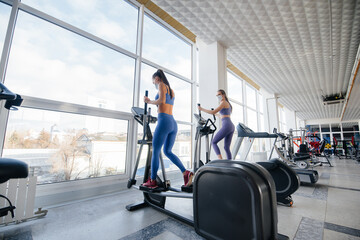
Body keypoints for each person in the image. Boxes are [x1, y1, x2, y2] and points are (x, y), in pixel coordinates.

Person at [142, 69, 193, 189]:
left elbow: (161, 101)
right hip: (172, 123)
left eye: (153, 80)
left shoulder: (161, 85)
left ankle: (153, 181)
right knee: (167, 151)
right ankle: (186, 173)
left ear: (157, 78)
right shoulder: (171, 90)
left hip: (164, 121)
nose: (153, 83)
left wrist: (149, 101)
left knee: (155, 151)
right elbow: (165, 103)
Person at [198, 89, 235, 160]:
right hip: (231, 126)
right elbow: (222, 115)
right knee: (226, 147)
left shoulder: (223, 102)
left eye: (219, 95)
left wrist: (201, 109)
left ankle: (220, 160)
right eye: (217, 95)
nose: (218, 96)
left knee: (213, 142)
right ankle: (230, 163)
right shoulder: (227, 103)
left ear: (223, 95)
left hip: (227, 125)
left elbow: (213, 111)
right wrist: (215, 113)